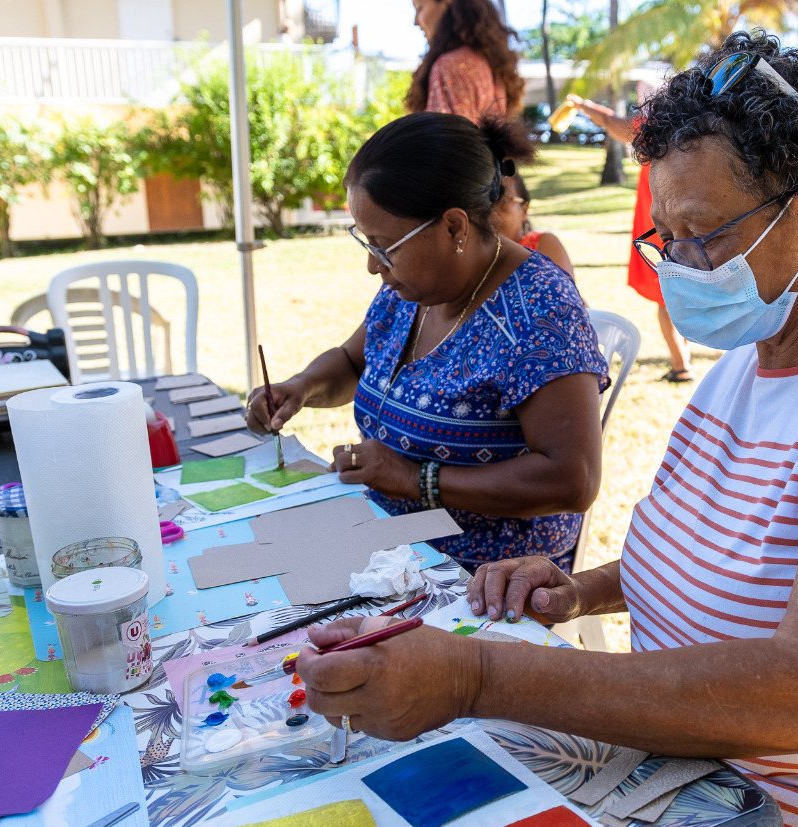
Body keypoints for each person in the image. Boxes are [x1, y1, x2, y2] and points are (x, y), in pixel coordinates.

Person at [298, 32, 798, 827]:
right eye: (664, 235)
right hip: (701, 795)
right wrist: (584, 588)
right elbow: (723, 554)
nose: (680, 266)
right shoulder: (753, 362)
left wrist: (477, 675)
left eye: (701, 233)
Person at [247, 113, 609, 572]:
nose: (374, 267)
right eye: (368, 245)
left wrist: (417, 480)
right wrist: (299, 388)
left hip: (483, 575)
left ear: (455, 228)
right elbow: (352, 361)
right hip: (388, 543)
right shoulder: (415, 287)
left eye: (384, 247)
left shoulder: (539, 308)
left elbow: (572, 480)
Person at [566, 93, 695, 383]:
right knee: (678, 295)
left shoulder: (654, 125)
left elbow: (613, 122)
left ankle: (681, 365)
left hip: (661, 224)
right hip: (688, 221)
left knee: (667, 299)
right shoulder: (694, 127)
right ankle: (682, 361)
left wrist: (583, 105)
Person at [407, 0, 524, 124]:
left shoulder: (450, 65)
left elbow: (447, 140)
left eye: (419, 8)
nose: (415, 22)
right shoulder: (488, 63)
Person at [489, 173, 574, 278]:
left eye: (503, 201)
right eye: (486, 203)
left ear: (524, 210)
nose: (492, 213)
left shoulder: (543, 244)